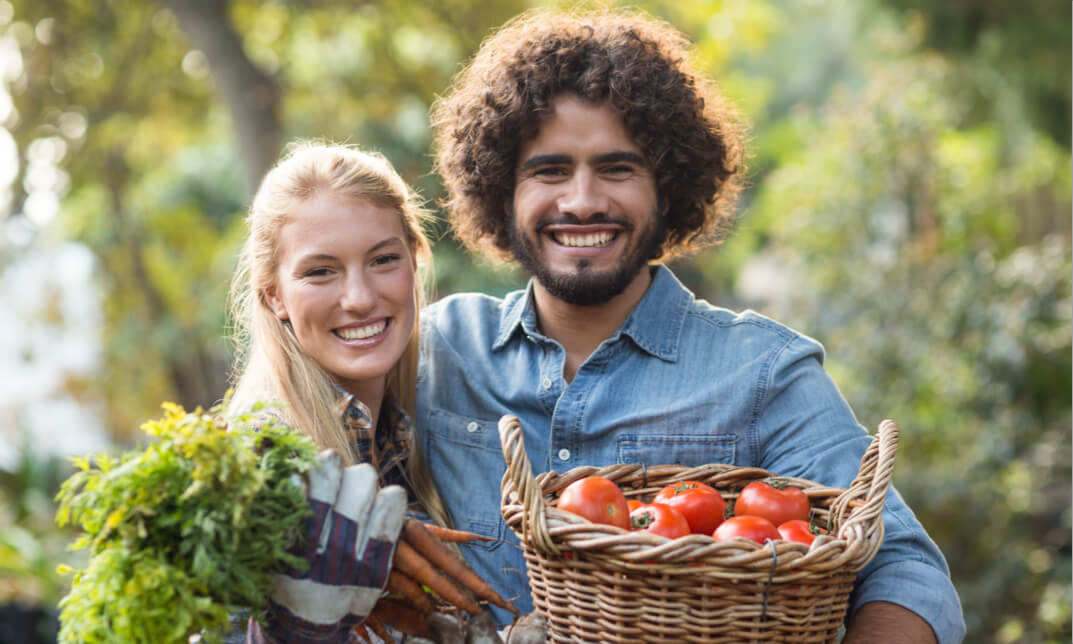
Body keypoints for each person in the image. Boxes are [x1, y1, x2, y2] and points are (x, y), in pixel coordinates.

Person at [417, 8, 965, 643]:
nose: (582, 200)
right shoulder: (439, 350)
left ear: (668, 187)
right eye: (550, 170)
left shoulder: (762, 373)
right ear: (501, 189)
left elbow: (905, 568)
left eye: (617, 168)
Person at [225, 141, 451, 642]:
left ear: (414, 261)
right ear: (275, 296)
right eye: (320, 271)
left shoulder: (412, 431)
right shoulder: (256, 467)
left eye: (383, 260)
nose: (360, 298)